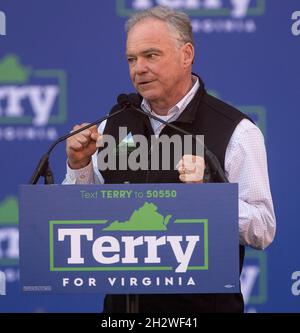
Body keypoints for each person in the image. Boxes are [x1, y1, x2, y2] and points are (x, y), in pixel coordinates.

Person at [63, 6, 276, 313]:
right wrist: (80, 166)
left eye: (151, 56)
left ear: (186, 54)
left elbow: (263, 229)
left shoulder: (237, 131)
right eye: (131, 59)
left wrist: (210, 196)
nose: (139, 69)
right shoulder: (114, 122)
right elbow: (80, 216)